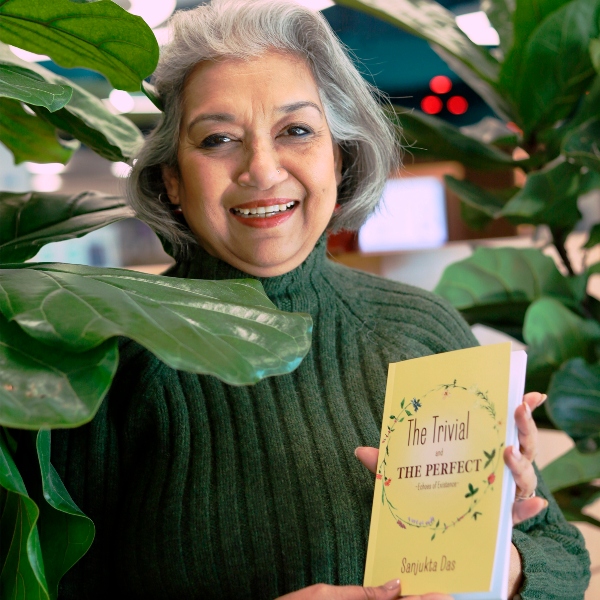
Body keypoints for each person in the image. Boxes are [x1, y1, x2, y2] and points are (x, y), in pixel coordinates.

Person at [51, 1, 590, 598]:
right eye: (219, 138)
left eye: (297, 131)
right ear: (172, 178)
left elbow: (556, 553)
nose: (261, 169)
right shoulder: (111, 356)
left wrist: (504, 568)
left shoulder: (420, 329)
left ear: (340, 156)